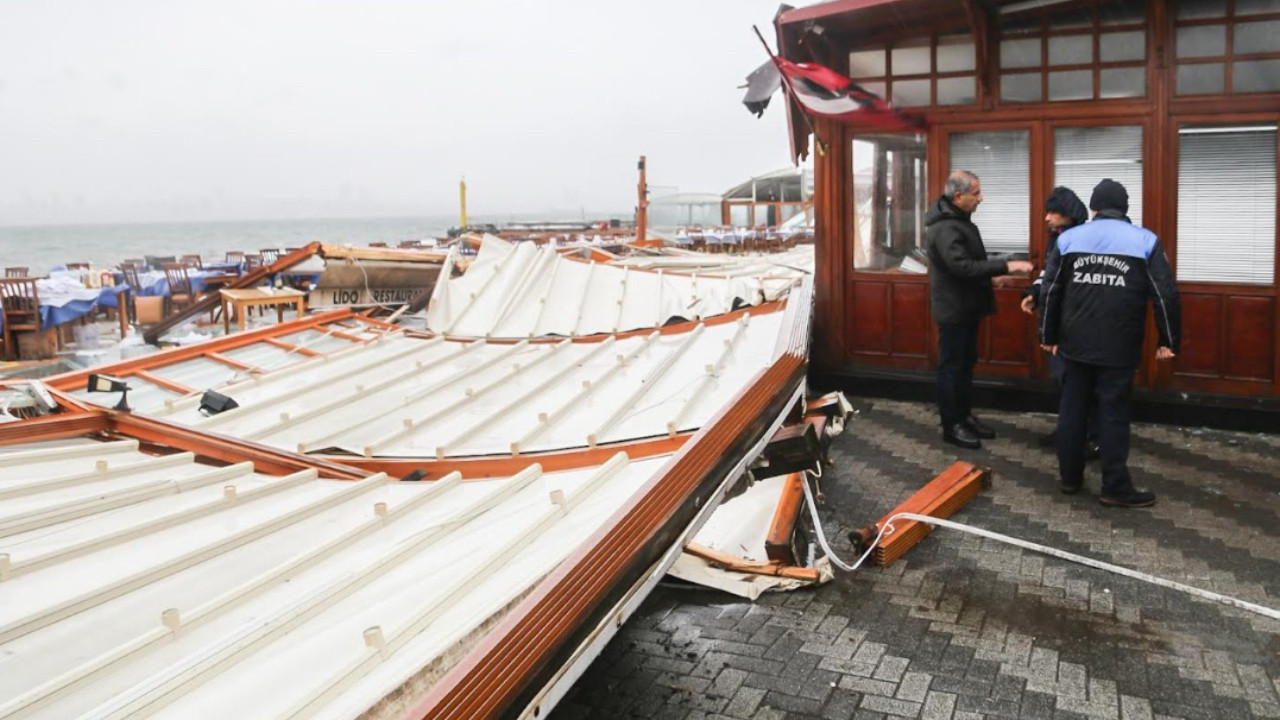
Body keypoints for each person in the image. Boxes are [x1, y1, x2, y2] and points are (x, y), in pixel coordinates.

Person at [1040, 178, 1180, 508]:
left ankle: (1070, 479)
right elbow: (1165, 295)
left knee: (1072, 410)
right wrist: (1168, 340)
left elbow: (1051, 290)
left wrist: (1048, 337)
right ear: (1125, 209)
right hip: (1120, 347)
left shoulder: (1069, 239)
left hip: (1075, 344)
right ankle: (1115, 486)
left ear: (1094, 208)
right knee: (1113, 413)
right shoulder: (1145, 241)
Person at [926, 170, 1034, 449]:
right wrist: (1006, 265)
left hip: (966, 307)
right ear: (958, 196)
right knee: (952, 368)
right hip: (954, 311)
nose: (981, 198)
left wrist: (991, 278)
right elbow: (960, 267)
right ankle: (952, 425)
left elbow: (967, 265)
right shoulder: (946, 227)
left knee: (965, 365)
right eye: (976, 193)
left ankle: (964, 417)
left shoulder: (959, 221)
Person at [1021, 187, 1098, 457]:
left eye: (1053, 212)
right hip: (1060, 320)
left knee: (1079, 380)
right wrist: (1034, 294)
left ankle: (1088, 436)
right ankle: (1070, 430)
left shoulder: (1083, 239)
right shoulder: (1057, 237)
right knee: (1064, 379)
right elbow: (1048, 273)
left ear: (1068, 213)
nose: (1047, 218)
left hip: (1076, 321)